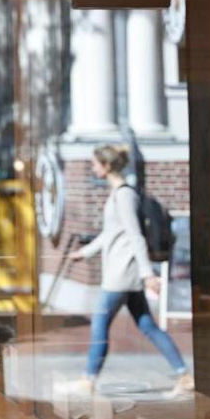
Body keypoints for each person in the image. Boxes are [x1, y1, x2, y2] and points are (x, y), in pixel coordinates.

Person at [69, 145, 194, 396]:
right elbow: (110, 233)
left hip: (122, 274)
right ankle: (184, 375)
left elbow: (135, 236)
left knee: (99, 325)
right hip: (124, 272)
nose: (93, 168)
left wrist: (147, 274)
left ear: (106, 166)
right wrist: (85, 252)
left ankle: (88, 380)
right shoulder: (118, 194)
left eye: (95, 164)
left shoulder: (125, 195)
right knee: (148, 326)